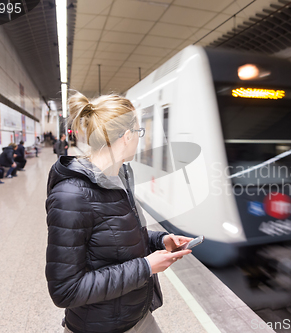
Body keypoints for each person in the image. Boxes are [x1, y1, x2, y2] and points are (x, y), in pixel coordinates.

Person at [45, 92, 193, 333]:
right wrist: (146, 267)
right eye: (139, 132)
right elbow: (65, 290)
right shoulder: (71, 196)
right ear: (127, 137)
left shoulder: (119, 178)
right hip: (99, 326)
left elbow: (119, 237)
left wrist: (161, 240)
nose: (140, 139)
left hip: (137, 316)